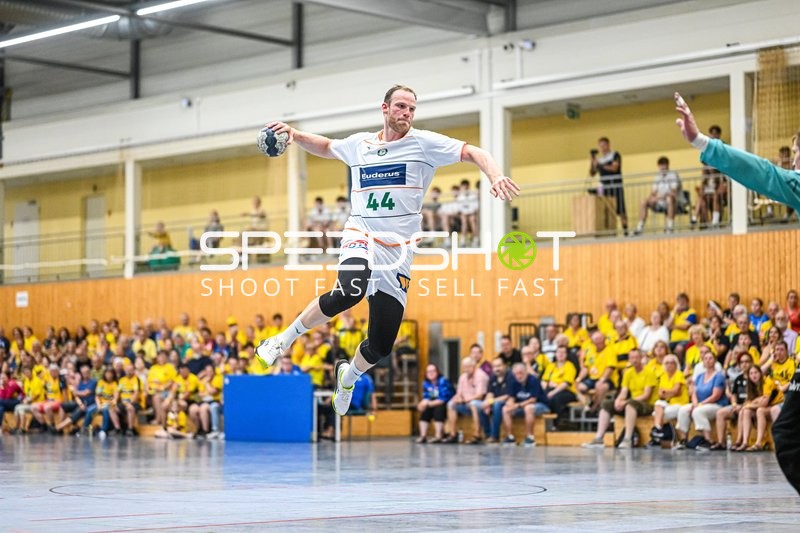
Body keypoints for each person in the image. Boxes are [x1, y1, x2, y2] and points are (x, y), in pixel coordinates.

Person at [255, 85, 519, 419]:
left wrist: (495, 176)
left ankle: (348, 377)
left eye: (411, 108)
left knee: (380, 345)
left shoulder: (424, 143)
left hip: (398, 252)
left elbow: (476, 152)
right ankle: (281, 341)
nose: (406, 113)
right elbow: (325, 146)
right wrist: (294, 134)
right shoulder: (359, 144)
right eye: (400, 106)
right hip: (361, 233)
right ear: (385, 108)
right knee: (348, 292)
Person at [583, 349, 656, 448]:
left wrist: (625, 402)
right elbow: (624, 391)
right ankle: (599, 439)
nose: (634, 360)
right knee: (607, 403)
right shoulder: (628, 372)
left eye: (636, 357)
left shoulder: (649, 372)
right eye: (632, 358)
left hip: (647, 404)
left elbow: (646, 395)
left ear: (641, 358)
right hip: (632, 403)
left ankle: (627, 439)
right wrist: (618, 400)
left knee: (630, 404)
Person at [675, 346, 728, 450]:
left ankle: (708, 440)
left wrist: (700, 404)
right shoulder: (700, 376)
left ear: (715, 361)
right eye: (705, 358)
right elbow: (694, 391)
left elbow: (716, 395)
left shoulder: (719, 376)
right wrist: (695, 403)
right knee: (683, 410)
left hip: (716, 404)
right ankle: (683, 439)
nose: (707, 361)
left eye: (710, 358)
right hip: (700, 403)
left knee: (698, 411)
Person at [501, 363, 549, 446]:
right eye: (516, 374)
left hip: (540, 405)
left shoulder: (533, 380)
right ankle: (510, 437)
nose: (519, 376)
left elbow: (533, 399)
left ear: (526, 372)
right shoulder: (514, 381)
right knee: (505, 409)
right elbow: (511, 397)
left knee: (528, 408)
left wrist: (517, 405)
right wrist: (510, 404)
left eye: (521, 373)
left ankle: (530, 437)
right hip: (521, 405)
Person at [443, 357, 489, 444]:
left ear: (474, 366)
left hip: (481, 404)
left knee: (473, 403)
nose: (465, 369)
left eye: (468, 367)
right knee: (450, 404)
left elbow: (479, 396)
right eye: (464, 367)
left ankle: (477, 435)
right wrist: (458, 398)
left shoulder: (480, 376)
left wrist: (464, 400)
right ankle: (453, 435)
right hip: (466, 403)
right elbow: (459, 393)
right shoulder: (462, 377)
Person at [713, 352, 753, 450]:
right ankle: (721, 442)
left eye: (747, 361)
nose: (744, 364)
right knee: (720, 413)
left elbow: (754, 396)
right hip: (737, 405)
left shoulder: (754, 376)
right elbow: (733, 394)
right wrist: (734, 404)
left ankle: (739, 441)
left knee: (742, 412)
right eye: (742, 362)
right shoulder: (737, 378)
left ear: (751, 363)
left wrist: (743, 405)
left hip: (749, 406)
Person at [590, 137, 627, 235]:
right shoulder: (599, 159)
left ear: (608, 145)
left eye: (604, 145)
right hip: (603, 186)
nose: (602, 148)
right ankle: (605, 230)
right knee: (602, 206)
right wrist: (592, 161)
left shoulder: (615, 155)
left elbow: (615, 168)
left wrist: (601, 165)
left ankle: (625, 230)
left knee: (621, 209)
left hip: (616, 185)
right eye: (600, 146)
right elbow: (592, 173)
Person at [634, 156, 680, 234]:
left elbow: (673, 191)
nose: (662, 169)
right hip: (659, 201)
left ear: (668, 165)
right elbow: (653, 192)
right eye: (660, 167)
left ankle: (670, 227)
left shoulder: (673, 175)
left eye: (664, 167)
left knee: (669, 198)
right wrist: (651, 198)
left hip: (673, 202)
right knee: (643, 201)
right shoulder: (657, 176)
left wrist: (660, 197)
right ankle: (639, 227)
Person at [417, 364, 453, 443]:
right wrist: (422, 403)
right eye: (429, 371)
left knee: (438, 410)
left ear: (437, 372)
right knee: (425, 411)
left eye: (433, 371)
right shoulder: (426, 383)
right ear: (426, 374)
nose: (431, 373)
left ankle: (438, 436)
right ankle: (423, 436)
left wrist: (428, 403)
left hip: (446, 403)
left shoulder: (443, 381)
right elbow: (427, 396)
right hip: (433, 402)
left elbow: (444, 398)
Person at [478, 358, 511, 443]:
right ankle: (488, 435)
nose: (497, 369)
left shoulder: (510, 376)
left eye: (499, 366)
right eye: (495, 366)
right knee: (482, 406)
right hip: (496, 400)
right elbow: (490, 393)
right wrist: (487, 403)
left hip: (509, 402)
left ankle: (495, 436)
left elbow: (507, 395)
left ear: (504, 366)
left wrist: (491, 402)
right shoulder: (492, 377)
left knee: (497, 405)